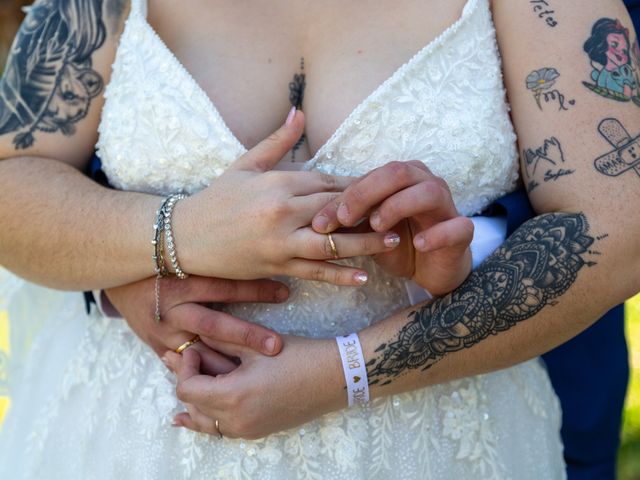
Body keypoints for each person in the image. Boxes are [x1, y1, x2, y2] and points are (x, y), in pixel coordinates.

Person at [0, 1, 639, 479]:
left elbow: (621, 229)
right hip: (134, 435)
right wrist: (172, 236)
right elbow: (13, 178)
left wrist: (346, 373)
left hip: (436, 436)